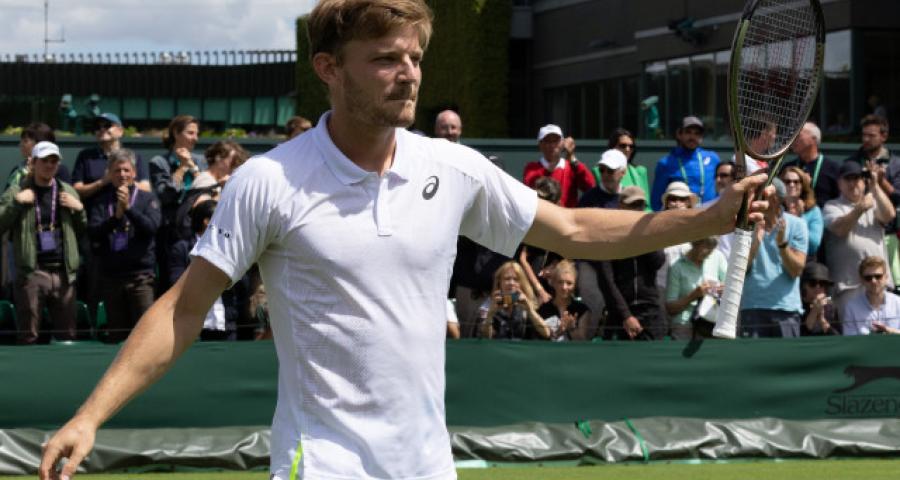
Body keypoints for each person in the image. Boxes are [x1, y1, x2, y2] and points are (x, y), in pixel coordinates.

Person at [39, 2, 772, 479]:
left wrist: (709, 218)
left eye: (414, 57)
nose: (408, 73)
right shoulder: (268, 181)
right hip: (320, 464)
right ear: (329, 69)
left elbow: (575, 228)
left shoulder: (452, 167)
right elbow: (183, 307)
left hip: (427, 464)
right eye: (386, 58)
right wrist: (88, 416)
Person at [0, 142, 85, 344]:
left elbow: (81, 230)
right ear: (33, 163)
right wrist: (16, 203)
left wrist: (80, 209)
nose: (49, 165)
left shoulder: (67, 191)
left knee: (67, 337)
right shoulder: (17, 190)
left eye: (54, 161)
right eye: (44, 160)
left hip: (64, 273)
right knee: (28, 336)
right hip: (32, 271)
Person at [86, 149, 161, 343]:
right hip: (112, 279)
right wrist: (116, 217)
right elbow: (94, 232)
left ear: (134, 173)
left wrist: (128, 209)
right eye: (117, 170)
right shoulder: (101, 202)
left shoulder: (147, 199)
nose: (122, 174)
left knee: (146, 337)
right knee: (117, 337)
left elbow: (151, 228)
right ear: (110, 174)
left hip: (140, 278)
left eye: (126, 170)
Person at [169, 200, 248, 341]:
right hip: (194, 326)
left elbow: (244, 285)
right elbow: (176, 282)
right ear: (207, 222)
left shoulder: (231, 248)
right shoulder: (182, 248)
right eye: (222, 218)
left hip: (227, 325)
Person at [823, 161, 895, 313]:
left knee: (883, 327)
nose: (853, 183)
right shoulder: (832, 206)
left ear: (864, 181)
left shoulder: (873, 202)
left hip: (878, 282)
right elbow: (840, 229)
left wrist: (875, 186)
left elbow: (889, 215)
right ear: (839, 183)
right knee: (852, 329)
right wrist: (860, 208)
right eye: (848, 179)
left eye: (857, 178)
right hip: (849, 286)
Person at [740, 178, 808, 338]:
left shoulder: (797, 224)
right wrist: (755, 242)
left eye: (761, 194)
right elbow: (740, 270)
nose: (756, 198)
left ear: (776, 198)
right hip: (752, 307)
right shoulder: (746, 224)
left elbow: (796, 271)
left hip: (786, 309)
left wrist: (782, 244)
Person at [597, 186, 667, 340]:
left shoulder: (650, 232)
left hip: (651, 313)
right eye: (632, 205)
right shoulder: (608, 236)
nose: (636, 210)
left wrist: (644, 235)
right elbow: (606, 281)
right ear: (620, 206)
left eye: (640, 205)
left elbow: (658, 261)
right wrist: (626, 316)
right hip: (619, 316)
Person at [149, 115, 206, 291]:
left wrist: (192, 167)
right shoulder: (159, 162)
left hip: (198, 229)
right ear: (176, 133)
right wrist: (182, 167)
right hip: (172, 232)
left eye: (197, 134)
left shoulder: (200, 161)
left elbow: (207, 190)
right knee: (171, 283)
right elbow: (166, 195)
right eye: (190, 133)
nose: (195, 138)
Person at [72, 113, 151, 211]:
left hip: (127, 214)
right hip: (95, 215)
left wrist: (123, 179)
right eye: (97, 127)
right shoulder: (85, 156)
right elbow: (76, 191)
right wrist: (102, 182)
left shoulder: (133, 156)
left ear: (120, 131)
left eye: (107, 126)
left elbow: (146, 189)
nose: (102, 129)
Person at [650, 115, 720, 211]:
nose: (692, 137)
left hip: (710, 215)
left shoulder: (713, 158)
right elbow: (656, 201)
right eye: (688, 132)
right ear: (679, 134)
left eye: (697, 133)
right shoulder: (666, 163)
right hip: (681, 217)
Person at [665, 236, 727, 340]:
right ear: (695, 243)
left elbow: (731, 287)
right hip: (685, 323)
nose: (709, 253)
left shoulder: (717, 256)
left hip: (712, 321)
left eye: (712, 248)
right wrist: (693, 296)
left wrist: (725, 289)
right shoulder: (676, 267)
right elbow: (670, 308)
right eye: (707, 247)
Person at [523, 124, 595, 207]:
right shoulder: (532, 168)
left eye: (556, 141)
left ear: (563, 143)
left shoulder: (572, 167)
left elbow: (590, 186)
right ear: (540, 144)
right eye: (547, 141)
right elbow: (529, 190)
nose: (552, 145)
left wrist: (572, 158)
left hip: (567, 214)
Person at [479, 261, 551, 340]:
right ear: (500, 281)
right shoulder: (490, 304)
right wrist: (490, 314)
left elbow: (546, 333)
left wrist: (530, 310)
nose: (511, 283)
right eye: (507, 279)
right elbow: (485, 337)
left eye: (516, 279)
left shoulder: (528, 303)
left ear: (521, 283)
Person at [783, 122, 840, 208]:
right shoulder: (787, 168)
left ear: (813, 139)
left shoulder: (833, 169)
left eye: (798, 135)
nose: (793, 139)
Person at [656, 181, 698, 292]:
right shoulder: (657, 228)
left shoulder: (697, 228)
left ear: (688, 203)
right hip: (662, 287)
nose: (677, 203)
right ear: (667, 203)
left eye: (682, 199)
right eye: (673, 199)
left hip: (689, 289)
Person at [591, 128, 649, 209]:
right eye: (623, 146)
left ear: (623, 172)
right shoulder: (599, 171)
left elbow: (647, 205)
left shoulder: (640, 171)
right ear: (612, 147)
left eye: (631, 146)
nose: (627, 149)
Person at [842, 256, 900, 335]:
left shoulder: (898, 303)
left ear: (886, 277)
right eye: (868, 278)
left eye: (878, 276)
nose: (873, 281)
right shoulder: (851, 307)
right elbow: (849, 339)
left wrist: (890, 331)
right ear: (862, 280)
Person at [537, 259, 592, 341]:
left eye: (569, 283)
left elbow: (582, 342)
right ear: (553, 283)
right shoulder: (543, 310)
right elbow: (538, 341)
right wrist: (559, 331)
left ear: (575, 285)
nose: (564, 287)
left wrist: (571, 329)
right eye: (560, 282)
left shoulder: (582, 310)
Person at [6, 122, 71, 189]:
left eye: (25, 141)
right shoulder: (17, 170)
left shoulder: (60, 170)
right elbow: (7, 194)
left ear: (40, 144)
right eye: (44, 161)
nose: (20, 144)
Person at [781, 166, 823, 258]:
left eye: (796, 182)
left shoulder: (814, 211)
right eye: (787, 182)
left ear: (802, 185)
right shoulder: (775, 208)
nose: (792, 185)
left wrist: (800, 219)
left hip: (804, 258)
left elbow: (814, 244)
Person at [799, 262, 839, 336]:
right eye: (812, 283)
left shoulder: (830, 307)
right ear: (804, 286)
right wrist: (814, 312)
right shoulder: (797, 306)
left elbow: (838, 338)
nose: (817, 287)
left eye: (822, 283)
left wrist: (822, 319)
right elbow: (799, 335)